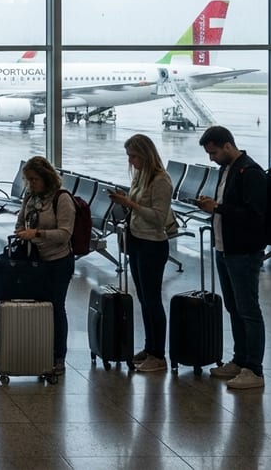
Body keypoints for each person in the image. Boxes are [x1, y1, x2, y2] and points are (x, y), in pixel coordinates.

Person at [195, 125, 267, 390]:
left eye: (213, 152)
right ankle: (239, 360)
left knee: (248, 310)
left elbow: (254, 215)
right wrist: (212, 206)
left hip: (244, 252)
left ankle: (254, 369)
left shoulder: (251, 172)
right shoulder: (226, 170)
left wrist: (218, 208)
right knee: (234, 308)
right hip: (224, 249)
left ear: (227, 146)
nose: (211, 158)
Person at [109, 134, 174, 373]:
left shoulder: (160, 180)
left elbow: (159, 217)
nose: (131, 160)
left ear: (145, 155)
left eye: (134, 156)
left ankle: (159, 354)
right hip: (136, 239)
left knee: (153, 299)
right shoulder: (140, 176)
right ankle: (150, 347)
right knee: (144, 299)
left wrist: (130, 204)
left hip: (153, 244)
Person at [13, 156, 75, 375]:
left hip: (59, 260)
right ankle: (39, 351)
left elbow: (65, 234)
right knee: (39, 306)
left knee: (56, 307)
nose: (31, 184)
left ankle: (58, 356)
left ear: (46, 178)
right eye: (28, 180)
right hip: (36, 260)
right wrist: (22, 232)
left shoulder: (62, 199)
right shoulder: (30, 197)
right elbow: (21, 221)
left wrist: (37, 233)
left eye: (34, 179)